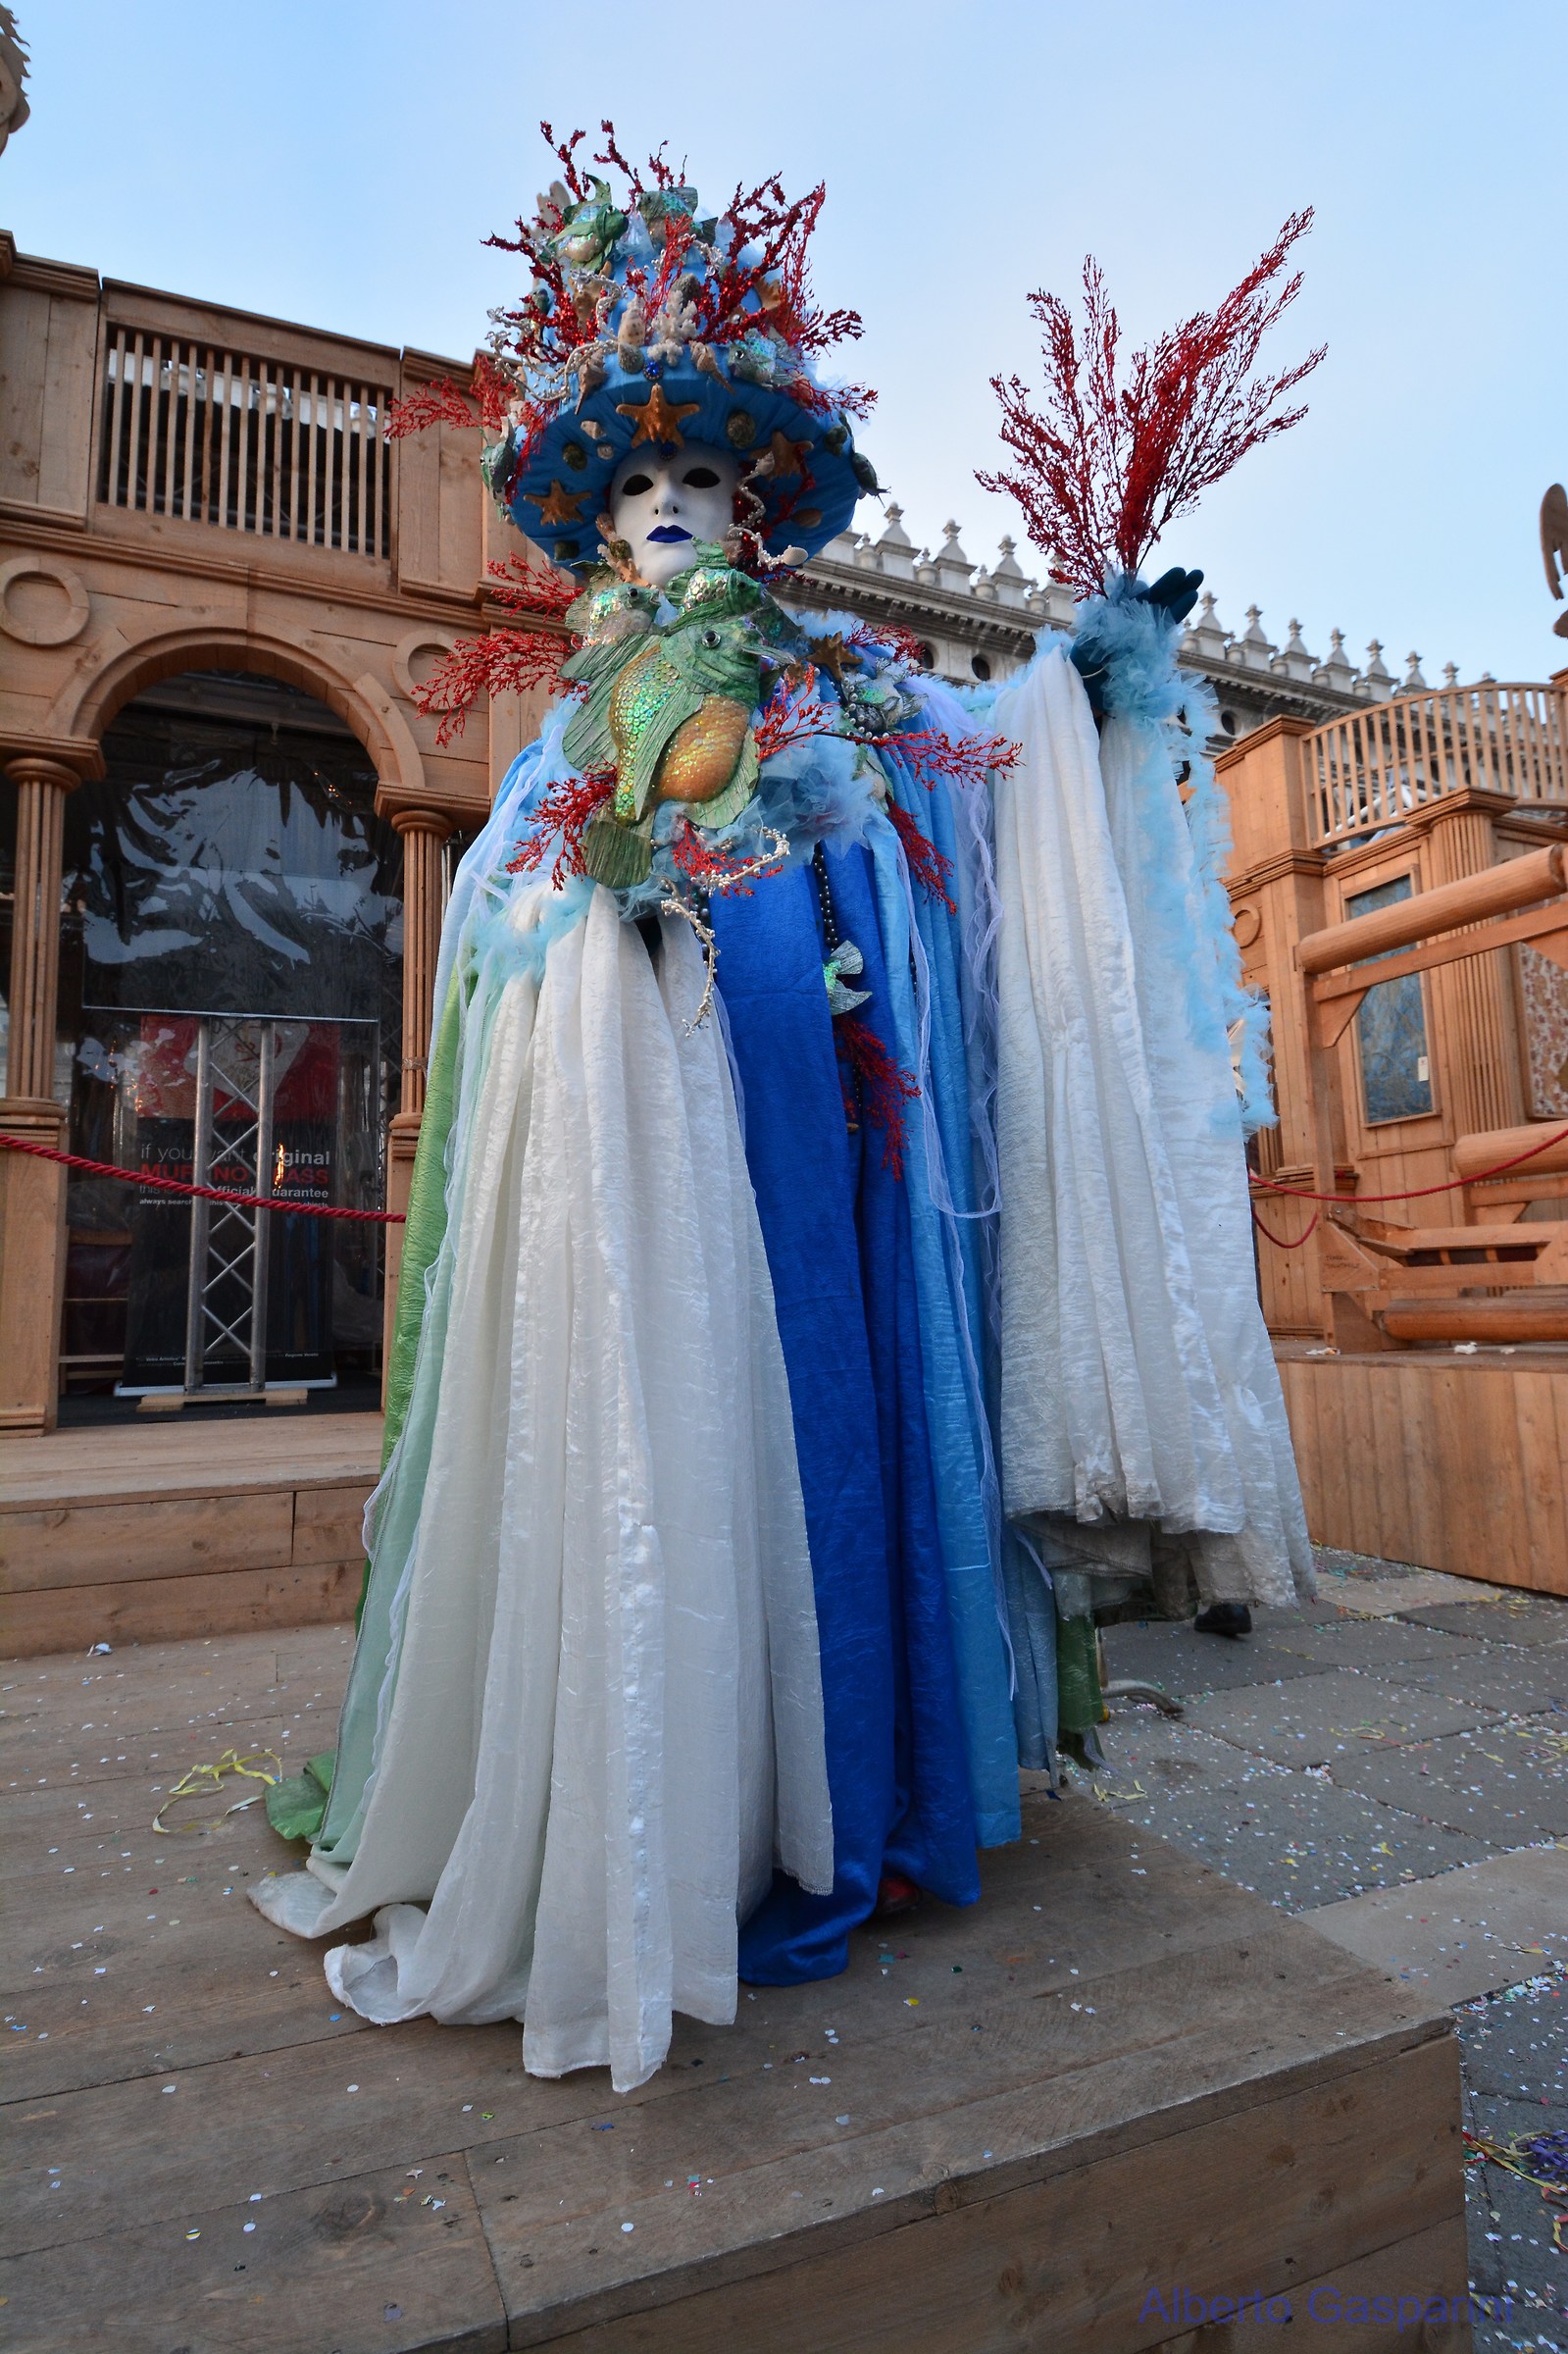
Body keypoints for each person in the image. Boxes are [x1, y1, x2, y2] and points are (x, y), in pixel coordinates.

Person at [255, 134, 1312, 2089]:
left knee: (819, 1421)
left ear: (756, 506)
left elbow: (978, 755)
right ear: (593, 526)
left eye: (701, 480)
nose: (668, 509)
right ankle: (655, 1786)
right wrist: (596, 925)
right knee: (653, 1433)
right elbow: (501, 934)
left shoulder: (836, 683)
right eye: (636, 484)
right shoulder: (561, 736)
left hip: (812, 1133)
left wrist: (1084, 680)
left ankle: (827, 1791)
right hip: (626, 1137)